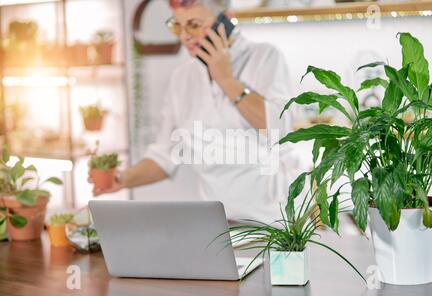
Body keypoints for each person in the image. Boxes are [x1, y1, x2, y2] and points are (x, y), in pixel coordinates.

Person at [90, 0, 304, 225]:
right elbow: (165, 154)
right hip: (220, 224)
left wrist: (225, 79)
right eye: (177, 25)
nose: (184, 36)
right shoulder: (183, 78)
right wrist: (121, 179)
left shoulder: (265, 57)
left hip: (279, 221)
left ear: (227, 20)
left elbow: (279, 130)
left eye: (193, 24)